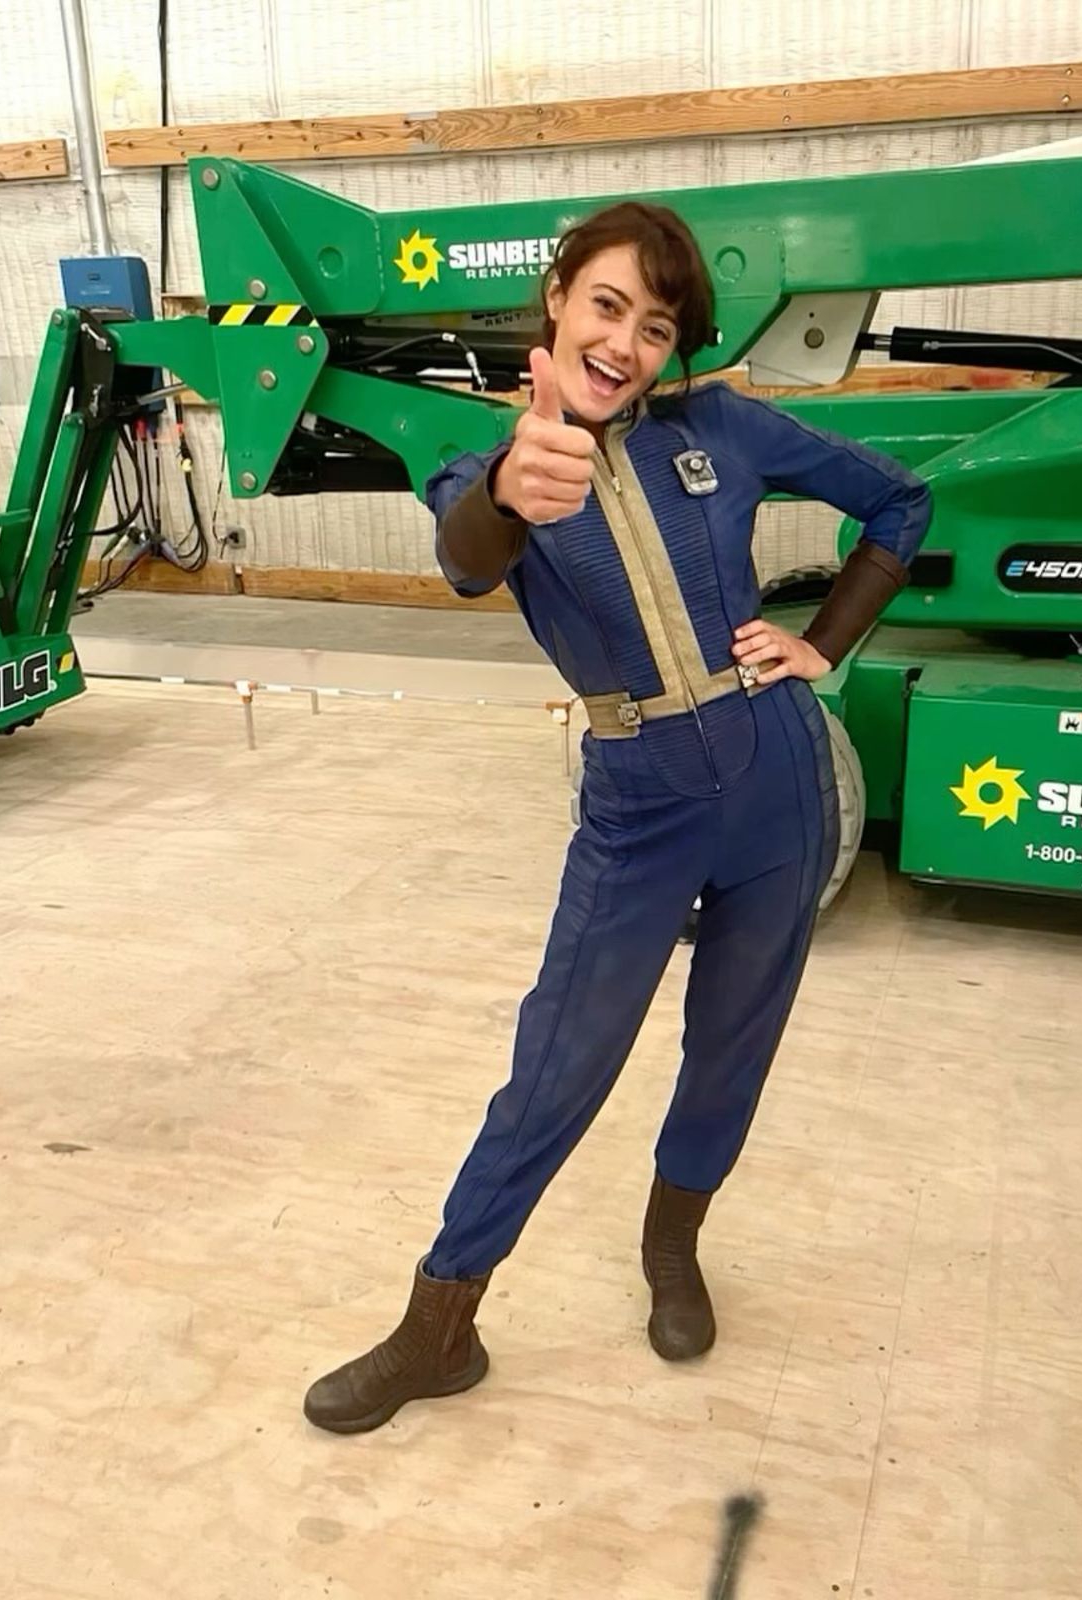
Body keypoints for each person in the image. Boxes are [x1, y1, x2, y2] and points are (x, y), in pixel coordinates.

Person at [303, 200, 931, 1435]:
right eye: (606, 306)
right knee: (557, 1064)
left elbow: (898, 503)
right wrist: (509, 487)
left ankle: (672, 1247)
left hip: (777, 783)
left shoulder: (721, 427)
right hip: (636, 806)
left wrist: (823, 640)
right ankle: (440, 1326)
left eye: (654, 326)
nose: (625, 344)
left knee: (730, 1044)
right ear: (555, 301)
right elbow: (466, 554)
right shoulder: (488, 463)